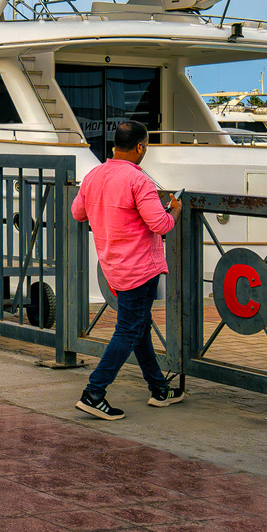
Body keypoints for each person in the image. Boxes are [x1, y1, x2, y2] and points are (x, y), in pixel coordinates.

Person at [71, 120, 185, 419]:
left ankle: (159, 389)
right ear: (139, 147)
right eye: (145, 146)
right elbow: (159, 225)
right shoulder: (139, 181)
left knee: (139, 329)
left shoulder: (94, 175)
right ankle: (94, 392)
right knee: (128, 330)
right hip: (139, 269)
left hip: (113, 266)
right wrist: (173, 210)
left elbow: (77, 212)